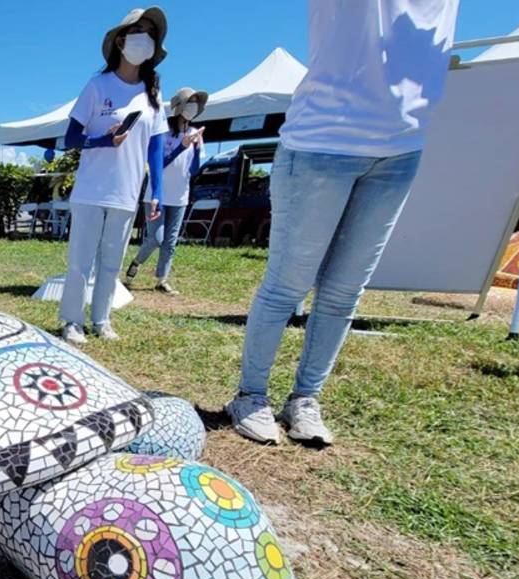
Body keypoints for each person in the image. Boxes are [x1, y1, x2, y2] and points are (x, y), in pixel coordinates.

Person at [226, 0, 459, 447]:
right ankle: (251, 395)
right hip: (321, 143)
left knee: (344, 291)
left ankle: (305, 399)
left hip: (401, 150)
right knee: (287, 284)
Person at [58, 7, 168, 344]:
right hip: (92, 190)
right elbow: (70, 138)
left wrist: (157, 191)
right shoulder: (97, 85)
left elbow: (156, 148)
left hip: (126, 191)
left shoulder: (154, 95)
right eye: (139, 30)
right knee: (81, 261)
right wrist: (104, 139)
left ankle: (101, 320)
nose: (145, 37)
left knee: (111, 263)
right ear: (120, 40)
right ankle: (71, 321)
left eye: (151, 32)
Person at [124, 86, 208, 295]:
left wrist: (196, 148)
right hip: (156, 195)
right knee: (156, 238)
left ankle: (162, 279)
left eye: (196, 103)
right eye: (190, 102)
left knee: (170, 242)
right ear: (179, 106)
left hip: (180, 196)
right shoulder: (163, 132)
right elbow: (157, 164)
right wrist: (181, 146)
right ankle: (136, 262)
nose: (193, 107)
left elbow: (195, 170)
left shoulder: (194, 133)